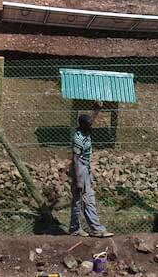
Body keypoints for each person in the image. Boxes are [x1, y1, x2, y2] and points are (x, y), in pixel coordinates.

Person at [69, 101, 113, 237]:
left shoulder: (85, 130)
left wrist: (97, 110)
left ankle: (75, 228)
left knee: (82, 199)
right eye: (88, 125)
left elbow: (91, 121)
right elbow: (75, 159)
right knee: (84, 198)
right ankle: (95, 229)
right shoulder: (78, 138)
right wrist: (78, 180)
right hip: (79, 169)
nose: (91, 126)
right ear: (82, 125)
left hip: (85, 168)